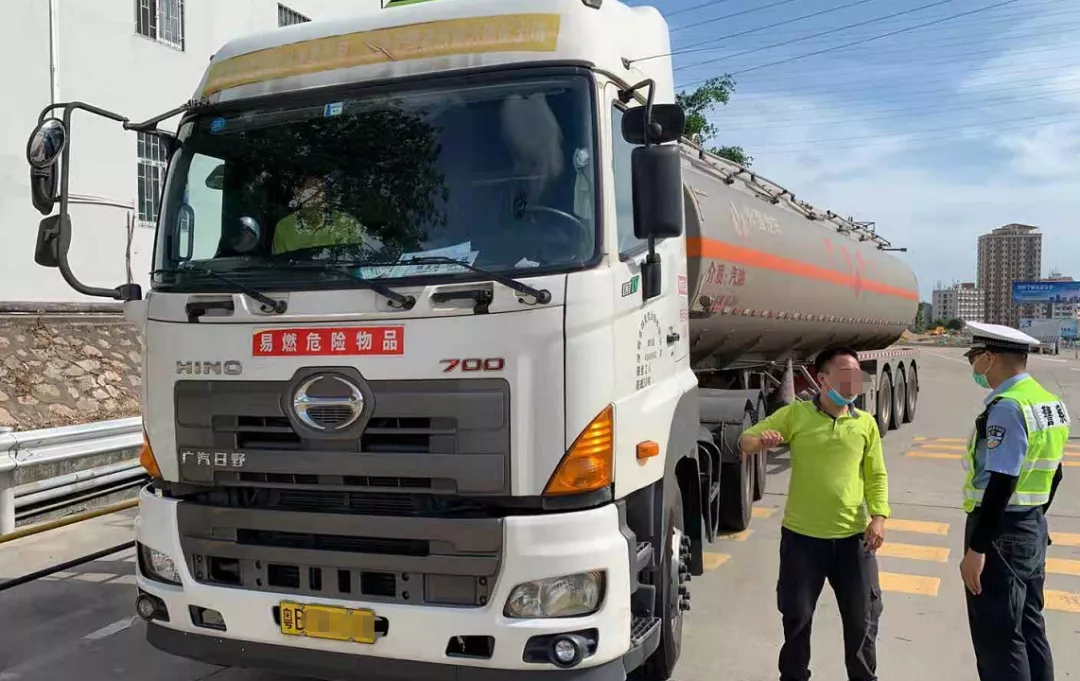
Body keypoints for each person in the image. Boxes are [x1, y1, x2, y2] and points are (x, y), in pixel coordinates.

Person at [739, 346, 890, 681]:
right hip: (803, 540)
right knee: (797, 619)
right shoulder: (796, 415)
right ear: (823, 379)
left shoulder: (865, 423)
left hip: (854, 541)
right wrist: (760, 442)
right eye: (845, 375)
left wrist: (879, 517)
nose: (852, 382)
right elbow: (746, 440)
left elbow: (876, 475)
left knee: (862, 622)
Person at [958, 321, 1069, 681]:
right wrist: (1034, 519)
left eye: (974, 358)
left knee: (999, 638)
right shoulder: (1048, 402)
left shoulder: (1008, 407)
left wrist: (977, 547)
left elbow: (1002, 481)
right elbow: (1056, 473)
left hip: (999, 531)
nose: (974, 367)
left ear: (989, 358)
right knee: (1030, 626)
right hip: (1031, 526)